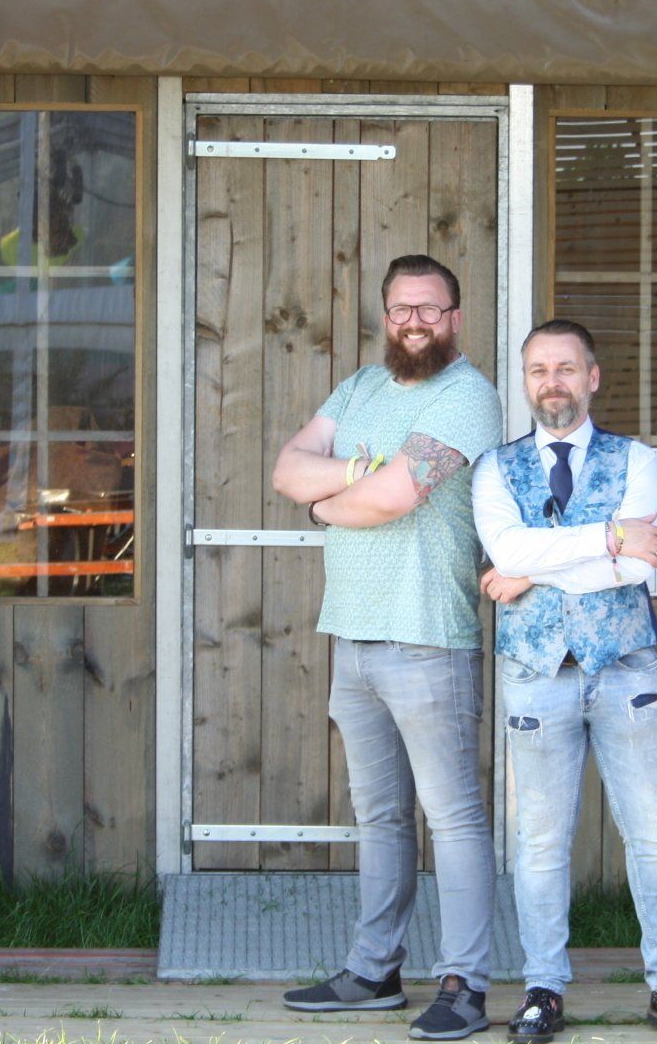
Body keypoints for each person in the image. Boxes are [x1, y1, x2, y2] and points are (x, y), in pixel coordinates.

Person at [272, 255, 503, 1041]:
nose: (415, 322)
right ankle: (374, 972)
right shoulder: (359, 389)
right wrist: (352, 473)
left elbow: (398, 494)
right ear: (385, 314)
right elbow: (287, 468)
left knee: (454, 818)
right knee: (380, 815)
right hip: (353, 635)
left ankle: (465, 986)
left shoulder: (467, 395)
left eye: (430, 309)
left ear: (455, 318)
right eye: (402, 308)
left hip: (429, 636)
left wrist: (324, 504)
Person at [472, 319, 657, 1044]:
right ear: (527, 382)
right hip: (536, 674)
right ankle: (543, 990)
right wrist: (607, 537)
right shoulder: (494, 469)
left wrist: (528, 571)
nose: (552, 382)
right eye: (539, 370)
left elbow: (640, 567)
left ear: (592, 377)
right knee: (540, 843)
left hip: (625, 671)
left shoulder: (636, 459)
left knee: (653, 835)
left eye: (566, 368)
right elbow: (512, 547)